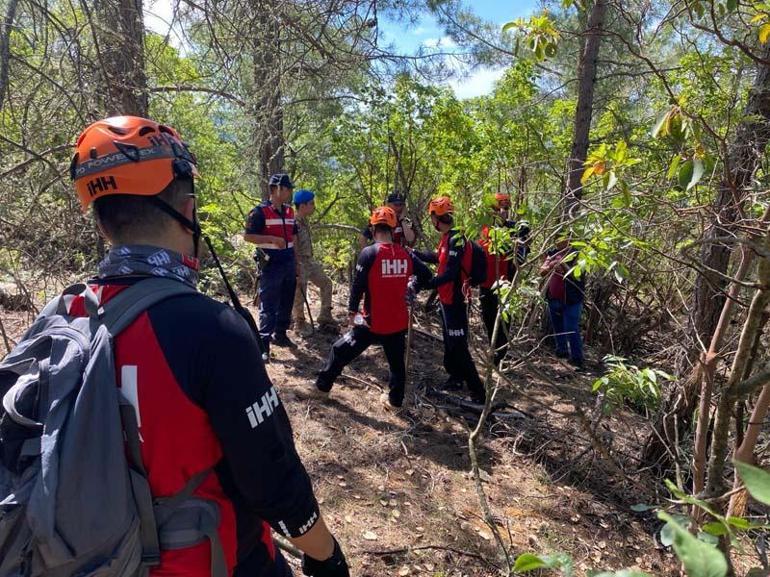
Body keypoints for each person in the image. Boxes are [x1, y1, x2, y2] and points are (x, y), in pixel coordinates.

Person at [68, 116, 349, 577]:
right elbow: (273, 481)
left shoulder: (65, 315)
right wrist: (326, 554)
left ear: (102, 225)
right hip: (217, 559)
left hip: (97, 557)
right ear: (190, 210)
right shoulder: (211, 329)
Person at [315, 207, 432, 409]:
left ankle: (321, 389)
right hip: (398, 322)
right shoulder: (406, 254)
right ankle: (395, 402)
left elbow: (358, 286)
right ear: (393, 227)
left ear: (372, 227)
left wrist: (352, 312)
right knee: (396, 365)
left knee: (339, 349)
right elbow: (427, 276)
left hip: (372, 322)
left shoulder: (369, 253)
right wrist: (413, 288)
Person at [415, 196, 486, 405]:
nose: (431, 222)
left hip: (456, 299)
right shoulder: (447, 238)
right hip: (446, 300)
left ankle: (477, 391)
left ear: (437, 218)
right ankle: (455, 377)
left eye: (432, 218)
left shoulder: (457, 239)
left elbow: (451, 273)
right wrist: (415, 254)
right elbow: (439, 258)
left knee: (459, 345)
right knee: (449, 341)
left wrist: (428, 283)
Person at [244, 173, 298, 360]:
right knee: (268, 303)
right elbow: (248, 236)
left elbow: (294, 238)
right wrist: (272, 239)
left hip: (289, 262)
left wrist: (297, 264)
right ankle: (263, 344)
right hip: (271, 264)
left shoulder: (290, 212)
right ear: (278, 189)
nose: (290, 192)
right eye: (288, 188)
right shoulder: (259, 212)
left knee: (287, 300)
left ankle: (280, 334)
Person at [478, 192, 531, 365]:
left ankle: (499, 356)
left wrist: (521, 240)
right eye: (499, 208)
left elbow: (521, 258)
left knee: (503, 323)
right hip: (486, 285)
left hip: (505, 285)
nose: (503, 212)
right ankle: (493, 351)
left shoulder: (515, 230)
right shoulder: (484, 230)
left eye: (506, 208)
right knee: (488, 319)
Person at [291, 189, 339, 336]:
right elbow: (293, 246)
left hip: (309, 261)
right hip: (299, 261)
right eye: (311, 203)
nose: (314, 206)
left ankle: (325, 315)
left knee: (326, 283)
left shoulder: (305, 221)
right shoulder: (294, 222)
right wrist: (296, 265)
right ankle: (299, 323)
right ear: (303, 205)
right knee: (300, 292)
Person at [539, 235, 586, 369]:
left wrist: (563, 266)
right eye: (557, 239)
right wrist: (550, 266)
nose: (559, 241)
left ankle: (577, 359)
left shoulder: (577, 255)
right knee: (558, 327)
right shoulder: (552, 253)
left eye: (562, 239)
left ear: (569, 240)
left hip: (572, 299)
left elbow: (577, 276)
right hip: (554, 297)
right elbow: (542, 271)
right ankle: (562, 353)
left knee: (571, 328)